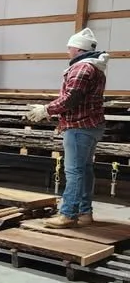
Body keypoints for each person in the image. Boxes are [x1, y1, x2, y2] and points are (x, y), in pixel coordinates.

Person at [28, 28, 109, 228]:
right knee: (85, 169)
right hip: (91, 125)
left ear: (78, 48)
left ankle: (68, 214)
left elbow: (71, 98)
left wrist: (47, 110)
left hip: (80, 126)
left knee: (74, 171)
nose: (68, 51)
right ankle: (84, 213)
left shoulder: (82, 69)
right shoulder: (95, 67)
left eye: (70, 47)